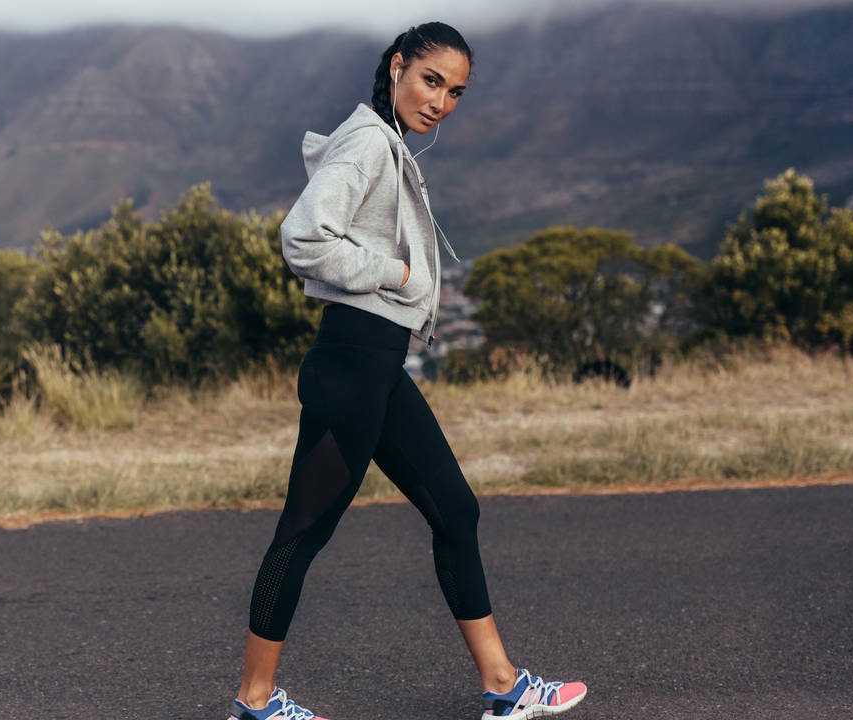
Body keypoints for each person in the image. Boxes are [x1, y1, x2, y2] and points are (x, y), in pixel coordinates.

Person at [227, 22, 588, 720]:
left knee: (456, 509)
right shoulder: (368, 142)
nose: (441, 102)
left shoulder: (384, 141)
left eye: (455, 92)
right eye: (431, 81)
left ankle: (504, 686)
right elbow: (302, 237)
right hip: (351, 367)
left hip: (379, 369)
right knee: (300, 535)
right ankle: (254, 702)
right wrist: (393, 270)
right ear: (398, 66)